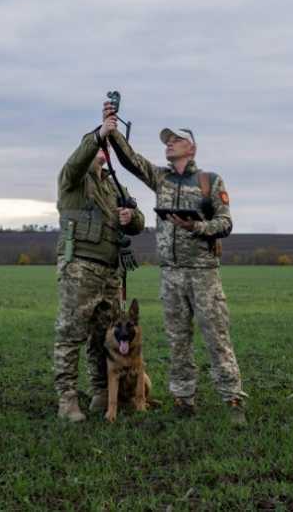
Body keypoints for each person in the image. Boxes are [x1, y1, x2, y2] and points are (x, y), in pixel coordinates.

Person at [103, 103, 248, 424]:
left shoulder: (210, 181)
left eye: (176, 140)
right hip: (170, 275)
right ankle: (184, 400)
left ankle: (233, 399)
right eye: (166, 140)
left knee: (217, 339)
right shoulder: (161, 178)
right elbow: (131, 160)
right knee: (177, 341)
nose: (169, 143)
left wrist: (196, 226)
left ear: (191, 148)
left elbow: (225, 223)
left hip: (203, 274)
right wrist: (111, 130)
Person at [53, 110, 145, 422]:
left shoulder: (114, 186)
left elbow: (139, 220)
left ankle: (101, 392)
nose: (103, 156)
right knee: (71, 334)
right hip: (80, 268)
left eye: (106, 151)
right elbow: (78, 160)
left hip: (110, 272)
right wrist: (99, 135)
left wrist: (131, 218)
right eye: (99, 150)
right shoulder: (73, 179)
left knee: (102, 336)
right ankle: (67, 399)